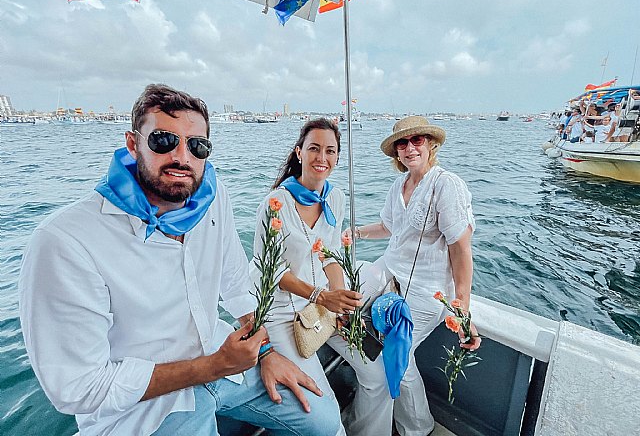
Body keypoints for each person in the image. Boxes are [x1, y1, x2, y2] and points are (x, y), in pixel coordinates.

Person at [19, 84, 341, 436]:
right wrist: (213, 366)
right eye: (163, 141)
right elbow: (79, 388)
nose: (182, 157)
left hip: (223, 361)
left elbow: (235, 283)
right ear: (132, 143)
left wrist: (264, 352)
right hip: (144, 408)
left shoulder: (212, 199)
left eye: (197, 146)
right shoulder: (67, 241)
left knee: (324, 422)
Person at [252, 118, 393, 436]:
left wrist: (339, 301)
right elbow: (269, 269)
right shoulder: (275, 204)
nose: (322, 157)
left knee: (379, 376)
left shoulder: (336, 198)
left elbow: (330, 255)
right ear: (299, 152)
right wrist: (320, 296)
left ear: (337, 158)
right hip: (284, 314)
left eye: (330, 151)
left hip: (323, 308)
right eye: (314, 148)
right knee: (324, 413)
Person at [344, 116, 481, 436]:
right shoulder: (399, 185)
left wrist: (462, 304)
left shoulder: (446, 184)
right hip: (388, 270)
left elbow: (461, 248)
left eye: (416, 141)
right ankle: (370, 396)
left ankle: (418, 427)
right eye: (402, 144)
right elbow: (390, 227)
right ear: (396, 153)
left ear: (430, 144)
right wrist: (356, 233)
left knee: (399, 358)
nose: (409, 148)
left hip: (426, 289)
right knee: (343, 302)